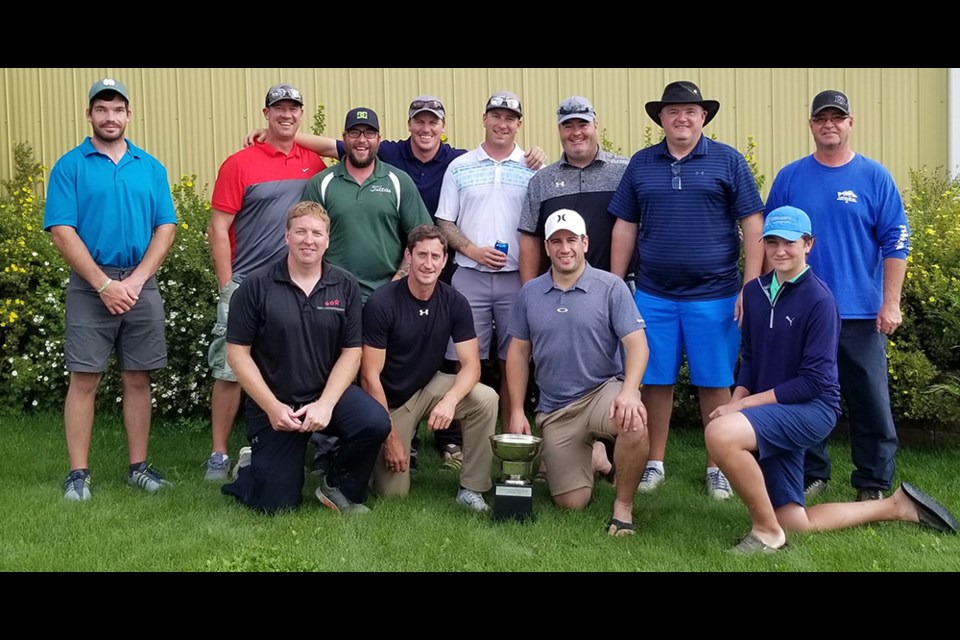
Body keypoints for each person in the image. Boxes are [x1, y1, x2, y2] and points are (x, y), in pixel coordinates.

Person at [704, 206, 956, 554]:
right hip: (772, 411)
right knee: (795, 520)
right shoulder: (756, 293)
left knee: (720, 434)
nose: (779, 250)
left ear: (808, 244)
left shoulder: (820, 300)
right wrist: (737, 398)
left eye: (789, 242)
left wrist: (743, 406)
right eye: (772, 242)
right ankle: (897, 507)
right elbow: (750, 358)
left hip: (811, 410)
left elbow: (813, 382)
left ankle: (766, 534)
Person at [609, 80, 764, 500]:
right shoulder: (641, 164)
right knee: (654, 381)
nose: (682, 117)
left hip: (715, 294)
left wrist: (750, 286)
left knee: (715, 382)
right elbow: (626, 225)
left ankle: (718, 465)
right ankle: (654, 462)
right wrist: (615, 285)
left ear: (703, 117)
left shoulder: (728, 161)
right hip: (653, 295)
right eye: (673, 111)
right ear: (661, 118)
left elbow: (753, 223)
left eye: (691, 111)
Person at [764, 90, 912, 503]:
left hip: (860, 311)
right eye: (821, 118)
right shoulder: (791, 177)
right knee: (803, 393)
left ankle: (873, 481)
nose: (829, 124)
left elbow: (895, 241)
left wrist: (891, 302)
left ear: (850, 123)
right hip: (801, 308)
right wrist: (762, 295)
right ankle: (813, 472)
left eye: (837, 117)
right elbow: (769, 241)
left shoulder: (874, 176)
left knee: (869, 397)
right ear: (811, 125)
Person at [44, 77, 178, 501]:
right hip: (91, 283)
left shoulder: (150, 167)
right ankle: (78, 475)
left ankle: (138, 466)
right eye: (101, 109)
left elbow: (166, 227)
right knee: (84, 377)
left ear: (128, 115)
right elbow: (62, 230)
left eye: (117, 109)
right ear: (89, 115)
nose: (110, 117)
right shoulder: (71, 165)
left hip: (141, 281)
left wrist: (135, 280)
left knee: (138, 377)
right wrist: (103, 284)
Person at [220, 201, 391, 515]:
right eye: (300, 232)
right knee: (277, 504)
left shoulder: (345, 285)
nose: (308, 240)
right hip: (277, 403)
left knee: (375, 422)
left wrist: (326, 403)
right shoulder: (255, 287)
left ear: (328, 240)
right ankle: (250, 466)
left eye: (316, 233)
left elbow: (352, 352)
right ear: (286, 236)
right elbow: (237, 355)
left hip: (327, 395)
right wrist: (272, 407)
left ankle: (337, 485)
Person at [204, 83, 328, 481]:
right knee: (230, 370)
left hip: (297, 286)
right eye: (279, 109)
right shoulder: (239, 163)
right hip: (246, 284)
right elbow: (218, 227)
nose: (286, 115)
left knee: (297, 366)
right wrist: (227, 284)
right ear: (266, 113)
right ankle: (219, 453)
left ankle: (299, 446)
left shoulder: (314, 163)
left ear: (301, 114)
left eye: (293, 109)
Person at [505, 209, 651, 537]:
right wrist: (516, 409)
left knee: (635, 421)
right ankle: (598, 457)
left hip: (603, 392)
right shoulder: (530, 293)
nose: (564, 248)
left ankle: (623, 507)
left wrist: (630, 391)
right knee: (572, 502)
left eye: (572, 239)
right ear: (546, 247)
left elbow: (638, 346)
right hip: (557, 408)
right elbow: (518, 352)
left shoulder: (611, 287)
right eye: (556, 241)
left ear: (585, 243)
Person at [518, 96, 632, 481]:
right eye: (568, 126)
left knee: (614, 370)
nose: (576, 132)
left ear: (595, 125)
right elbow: (531, 238)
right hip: (555, 289)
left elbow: (633, 226)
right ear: (560, 130)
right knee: (561, 367)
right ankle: (587, 452)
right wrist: (530, 293)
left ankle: (619, 458)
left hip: (610, 290)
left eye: (582, 124)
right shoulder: (544, 179)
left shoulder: (624, 170)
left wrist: (615, 281)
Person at [361, 225, 498, 511]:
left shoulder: (454, 301)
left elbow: (472, 365)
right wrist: (391, 438)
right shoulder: (382, 302)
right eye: (421, 254)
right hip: (390, 402)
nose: (428, 263)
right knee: (392, 495)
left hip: (428, 387)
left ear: (445, 260)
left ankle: (472, 489)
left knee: (486, 399)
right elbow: (369, 376)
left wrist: (449, 401)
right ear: (409, 256)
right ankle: (370, 455)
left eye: (436, 256)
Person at [436, 91, 539, 423]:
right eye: (496, 116)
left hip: (517, 279)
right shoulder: (460, 167)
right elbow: (444, 221)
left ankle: (512, 434)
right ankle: (467, 439)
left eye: (510, 118)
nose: (502, 124)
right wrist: (472, 250)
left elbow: (540, 227)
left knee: (515, 359)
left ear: (519, 124)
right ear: (484, 119)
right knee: (466, 360)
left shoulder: (533, 169)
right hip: (469, 275)